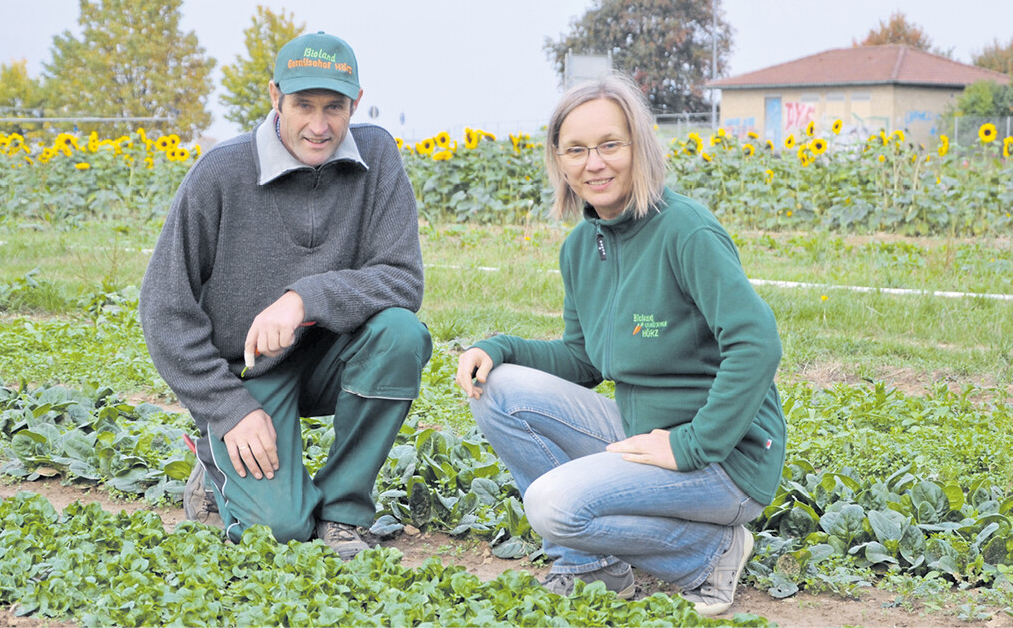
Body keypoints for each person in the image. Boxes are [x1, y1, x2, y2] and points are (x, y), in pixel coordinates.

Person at [454, 74, 785, 616]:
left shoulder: (686, 231)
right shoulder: (582, 247)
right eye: (577, 150)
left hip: (723, 458)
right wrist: (498, 348)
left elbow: (757, 343)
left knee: (551, 505)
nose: (595, 164)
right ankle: (590, 567)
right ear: (559, 160)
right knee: (497, 390)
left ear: (639, 147)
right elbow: (583, 359)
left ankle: (710, 553)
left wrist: (692, 444)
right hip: (643, 435)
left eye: (610, 145)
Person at [140, 31, 432, 560]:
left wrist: (303, 299)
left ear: (356, 102)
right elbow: (165, 309)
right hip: (249, 374)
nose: (319, 125)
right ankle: (214, 463)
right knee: (279, 531)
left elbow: (402, 278)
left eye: (334, 107)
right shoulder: (221, 173)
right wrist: (228, 408)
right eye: (303, 105)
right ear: (275, 96)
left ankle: (342, 512)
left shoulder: (378, 156)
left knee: (400, 334)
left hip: (332, 357)